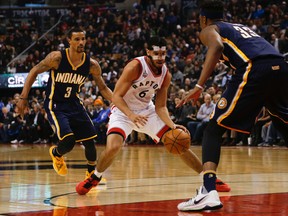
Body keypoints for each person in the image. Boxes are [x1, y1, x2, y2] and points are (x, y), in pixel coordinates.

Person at [75, 36, 230, 195]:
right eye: (156, 53)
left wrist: (172, 125)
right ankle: (95, 176)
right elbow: (116, 97)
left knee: (178, 141)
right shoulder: (135, 67)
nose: (160, 57)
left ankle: (208, 177)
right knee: (113, 147)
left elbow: (161, 106)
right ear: (148, 51)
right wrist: (131, 115)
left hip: (147, 111)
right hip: (123, 110)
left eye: (163, 53)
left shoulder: (165, 74)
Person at [177, 0, 288, 211]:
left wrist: (199, 86)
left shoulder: (210, 29)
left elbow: (217, 46)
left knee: (213, 128)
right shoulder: (239, 27)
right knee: (281, 121)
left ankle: (208, 192)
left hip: (255, 68)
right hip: (280, 66)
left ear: (202, 18)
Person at [16, 27, 113, 185]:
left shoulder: (91, 65)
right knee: (68, 141)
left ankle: (91, 174)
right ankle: (56, 153)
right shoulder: (57, 58)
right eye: (77, 39)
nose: (81, 42)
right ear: (69, 41)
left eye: (83, 39)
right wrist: (23, 97)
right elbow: (34, 71)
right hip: (56, 104)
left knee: (90, 142)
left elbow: (102, 88)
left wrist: (116, 101)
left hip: (75, 105)